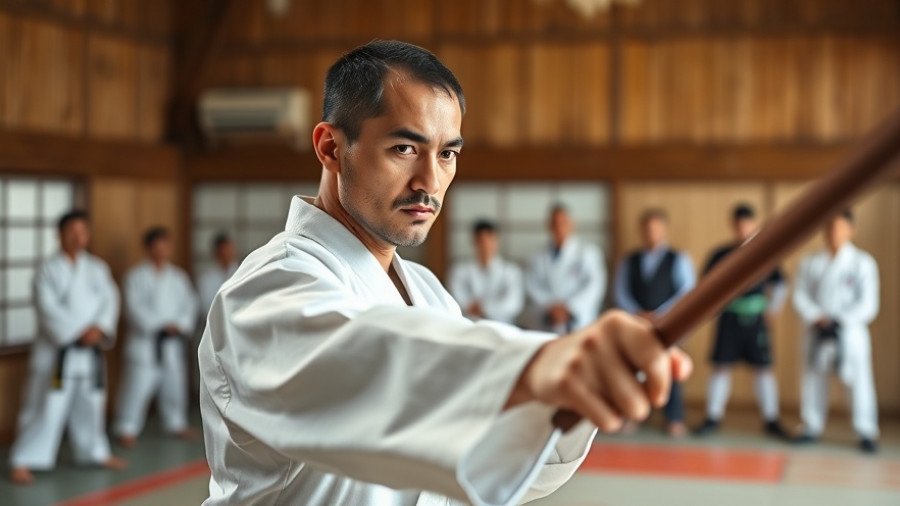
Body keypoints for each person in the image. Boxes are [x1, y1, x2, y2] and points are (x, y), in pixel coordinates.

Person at [198, 40, 691, 505]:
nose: (430, 182)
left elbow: (478, 457)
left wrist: (569, 398)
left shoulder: (426, 292)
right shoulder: (267, 288)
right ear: (330, 147)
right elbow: (368, 368)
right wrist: (537, 366)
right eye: (404, 149)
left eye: (447, 154)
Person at [8, 211, 126, 484]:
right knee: (45, 407)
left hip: (90, 352)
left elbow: (111, 300)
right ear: (59, 234)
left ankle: (95, 452)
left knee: (91, 405)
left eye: (83, 232)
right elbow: (47, 308)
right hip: (57, 353)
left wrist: (100, 328)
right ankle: (22, 459)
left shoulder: (97, 268)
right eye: (71, 231)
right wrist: (79, 331)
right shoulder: (47, 269)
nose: (77, 237)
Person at [694, 204, 790, 439]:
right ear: (733, 225)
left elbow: (780, 284)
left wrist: (773, 309)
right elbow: (705, 284)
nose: (743, 229)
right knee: (721, 366)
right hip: (729, 316)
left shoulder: (765, 252)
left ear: (754, 224)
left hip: (756, 317)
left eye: (747, 224)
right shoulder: (720, 254)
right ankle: (712, 416)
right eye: (739, 224)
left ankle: (771, 418)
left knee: (763, 369)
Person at [793, 209, 880, 453]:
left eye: (840, 227)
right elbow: (799, 296)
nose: (834, 232)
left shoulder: (862, 263)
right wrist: (817, 316)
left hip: (849, 332)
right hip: (817, 330)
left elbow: (869, 304)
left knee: (859, 382)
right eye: (829, 227)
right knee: (813, 379)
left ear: (851, 229)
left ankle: (866, 430)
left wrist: (840, 319)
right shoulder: (810, 262)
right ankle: (811, 425)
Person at [614, 209, 695, 437]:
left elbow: (686, 291)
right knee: (634, 368)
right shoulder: (628, 261)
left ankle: (674, 418)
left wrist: (660, 314)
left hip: (668, 322)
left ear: (664, 229)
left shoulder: (678, 259)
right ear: (641, 230)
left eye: (656, 228)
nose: (651, 233)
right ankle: (633, 414)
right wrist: (637, 313)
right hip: (636, 323)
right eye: (647, 228)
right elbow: (620, 292)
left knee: (671, 366)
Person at [115, 227, 198, 448]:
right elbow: (133, 308)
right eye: (157, 246)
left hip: (172, 342)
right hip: (146, 342)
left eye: (165, 246)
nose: (162, 251)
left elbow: (190, 305)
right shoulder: (135, 276)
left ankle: (176, 423)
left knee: (174, 387)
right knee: (136, 389)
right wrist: (160, 325)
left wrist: (180, 324)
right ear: (148, 248)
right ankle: (126, 427)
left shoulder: (178, 277)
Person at [525, 205, 606, 334]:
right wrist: (551, 307)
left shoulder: (588, 253)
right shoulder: (537, 257)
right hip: (547, 320)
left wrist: (570, 308)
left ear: (572, 224)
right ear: (548, 226)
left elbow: (594, 286)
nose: (559, 227)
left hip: (580, 320)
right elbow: (532, 286)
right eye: (555, 223)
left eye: (563, 222)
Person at [449, 219, 524, 324]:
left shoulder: (511, 271)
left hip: (502, 325)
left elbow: (513, 303)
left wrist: (484, 308)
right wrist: (471, 307)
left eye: (489, 240)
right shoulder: (460, 270)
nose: (485, 245)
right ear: (474, 241)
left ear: (496, 240)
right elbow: (456, 297)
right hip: (469, 324)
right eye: (481, 241)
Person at [198, 233, 238, 317]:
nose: (227, 254)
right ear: (216, 253)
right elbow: (206, 304)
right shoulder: (207, 278)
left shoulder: (241, 271)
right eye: (223, 251)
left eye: (229, 250)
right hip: (215, 318)